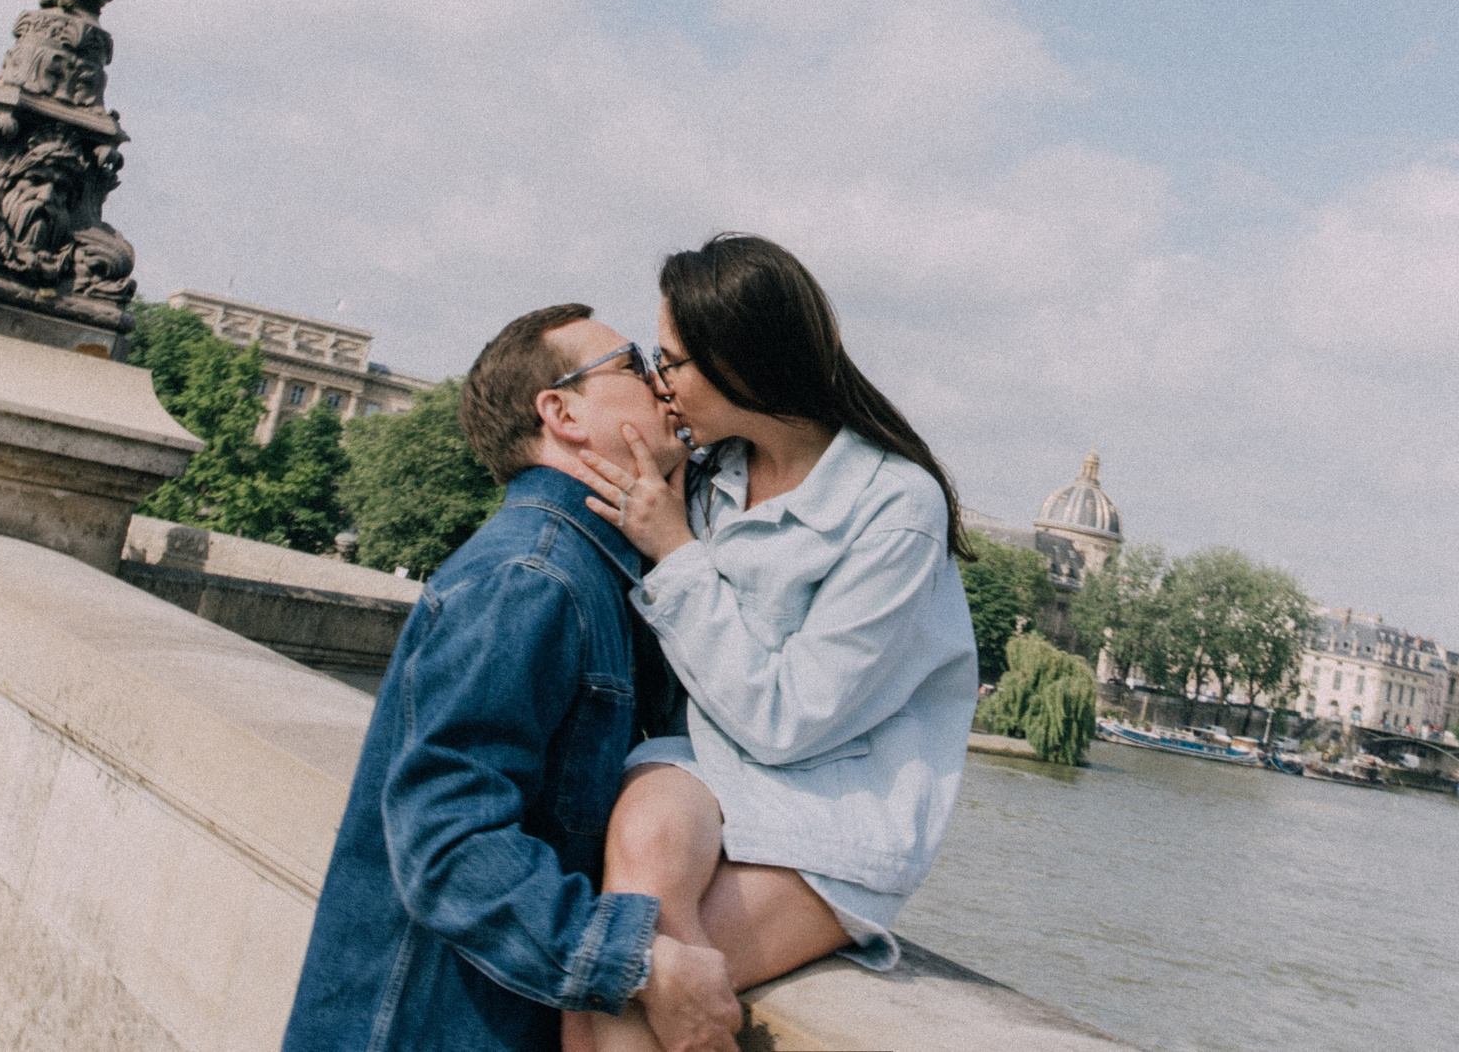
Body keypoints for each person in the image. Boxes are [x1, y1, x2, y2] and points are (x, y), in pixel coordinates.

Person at [283, 304, 745, 1052]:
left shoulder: (585, 571)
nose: (661, 383)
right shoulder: (531, 577)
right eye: (631, 364)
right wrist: (640, 960)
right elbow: (447, 838)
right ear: (560, 411)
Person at [562, 235, 980, 1052]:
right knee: (616, 949)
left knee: (613, 1004)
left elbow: (792, 721)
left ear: (742, 366)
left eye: (672, 361)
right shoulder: (712, 469)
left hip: (830, 809)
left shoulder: (895, 506)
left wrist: (677, 553)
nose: (658, 380)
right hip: (709, 766)